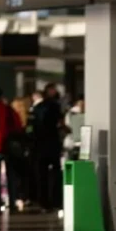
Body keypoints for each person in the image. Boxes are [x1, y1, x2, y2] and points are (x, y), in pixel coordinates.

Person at [31, 83, 64, 211]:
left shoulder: (37, 108)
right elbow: (60, 123)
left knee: (41, 174)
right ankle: (55, 200)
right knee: (55, 173)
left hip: (39, 144)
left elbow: (32, 127)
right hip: (52, 143)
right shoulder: (55, 106)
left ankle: (43, 201)